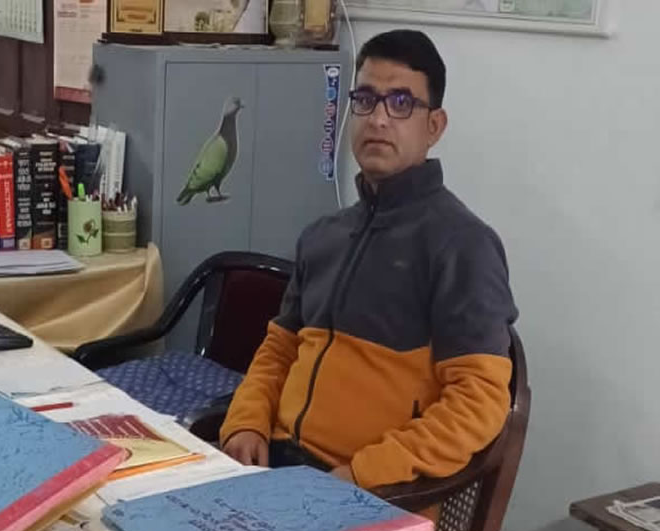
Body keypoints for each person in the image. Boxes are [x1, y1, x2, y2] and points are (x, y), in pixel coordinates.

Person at [221, 29, 518, 490]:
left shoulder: (463, 246)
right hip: (273, 467)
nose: (378, 119)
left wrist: (362, 476)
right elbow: (279, 350)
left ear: (434, 126)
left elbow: (477, 403)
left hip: (376, 494)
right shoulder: (324, 235)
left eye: (401, 103)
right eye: (365, 99)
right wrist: (246, 423)